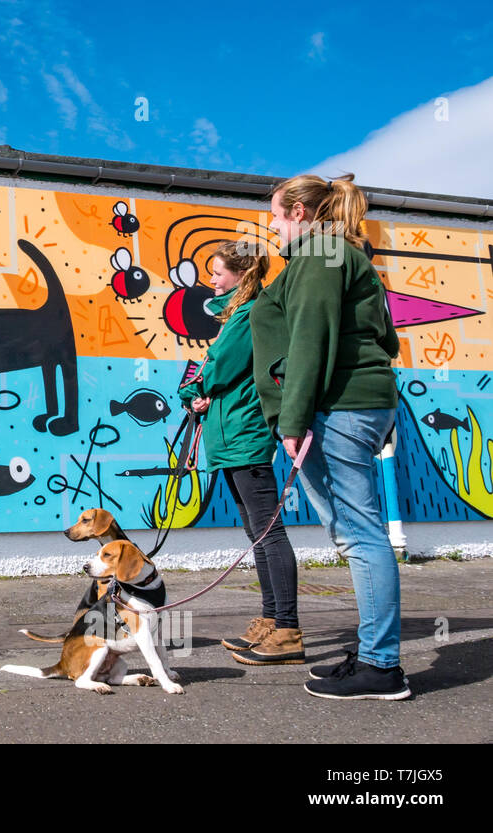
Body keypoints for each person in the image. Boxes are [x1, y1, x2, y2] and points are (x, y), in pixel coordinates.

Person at [250, 173, 409, 700]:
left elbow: (310, 339)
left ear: (299, 213)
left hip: (339, 408)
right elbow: (385, 336)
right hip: (359, 404)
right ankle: (371, 655)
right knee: (356, 534)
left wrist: (292, 420)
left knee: (360, 536)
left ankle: (382, 667)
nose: (271, 225)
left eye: (275, 213)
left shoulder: (319, 254)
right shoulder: (339, 254)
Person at [179, 241, 302, 665]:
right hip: (231, 436)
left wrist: (194, 389)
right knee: (258, 534)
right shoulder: (240, 315)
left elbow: (217, 370)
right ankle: (271, 621)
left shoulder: (247, 315)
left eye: (217, 273)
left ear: (240, 273)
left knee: (269, 532)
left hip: (244, 436)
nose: (211, 280)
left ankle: (286, 628)